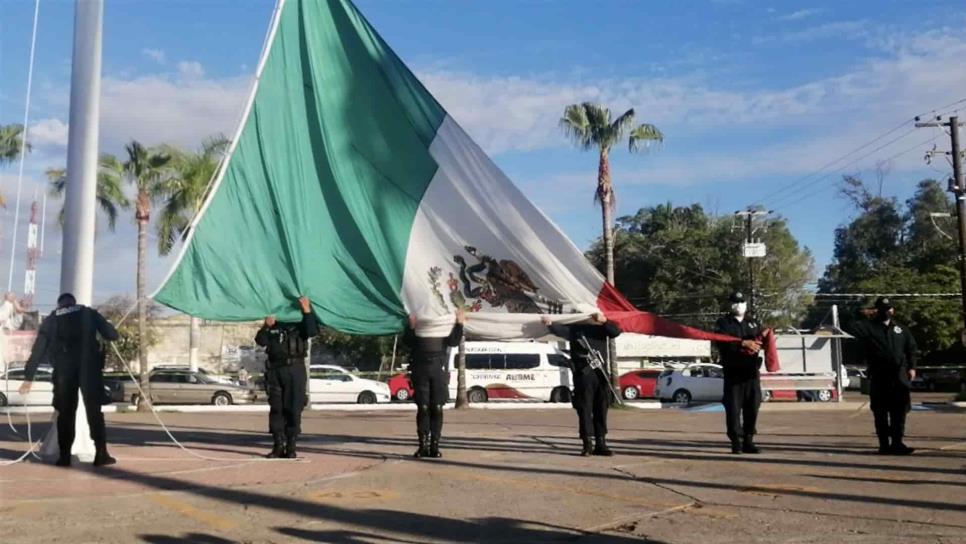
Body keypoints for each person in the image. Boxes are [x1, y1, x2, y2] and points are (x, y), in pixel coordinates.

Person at [18, 293, 119, 467]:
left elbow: (38, 349)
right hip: (89, 368)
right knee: (94, 411)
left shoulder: (52, 318)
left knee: (65, 414)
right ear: (74, 303)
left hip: (64, 370)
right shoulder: (88, 313)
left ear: (59, 305)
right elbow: (112, 335)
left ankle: (64, 456)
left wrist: (28, 378)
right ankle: (101, 454)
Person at [542, 309, 622, 457]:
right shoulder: (575, 329)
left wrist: (603, 320)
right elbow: (560, 330)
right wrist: (550, 323)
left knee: (601, 409)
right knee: (584, 410)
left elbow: (616, 331)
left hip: (601, 375)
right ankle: (587, 444)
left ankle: (601, 443)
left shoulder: (601, 327)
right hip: (583, 376)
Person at [846, 297, 917, 455]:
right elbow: (850, 326)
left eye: (889, 309)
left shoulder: (901, 329)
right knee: (881, 411)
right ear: (877, 311)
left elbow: (911, 348)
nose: (887, 312)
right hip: (879, 375)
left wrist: (912, 367)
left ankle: (897, 443)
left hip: (899, 375)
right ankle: (884, 445)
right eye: (884, 309)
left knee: (899, 411)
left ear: (893, 310)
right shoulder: (868, 328)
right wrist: (860, 313)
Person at [255, 296, 319, 459]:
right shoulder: (274, 324)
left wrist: (306, 310)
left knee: (294, 408)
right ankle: (278, 445)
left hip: (294, 369)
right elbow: (260, 341)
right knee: (276, 408)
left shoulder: (301, 325)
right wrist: (266, 326)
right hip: (275, 370)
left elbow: (312, 331)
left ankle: (291, 446)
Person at [403, 309, 464, 458]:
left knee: (437, 407)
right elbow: (407, 342)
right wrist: (411, 326)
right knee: (423, 407)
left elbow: (453, 341)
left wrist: (459, 323)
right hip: (420, 367)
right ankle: (422, 445)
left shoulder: (444, 319)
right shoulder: (418, 317)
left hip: (438, 367)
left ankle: (434, 446)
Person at [714, 291, 764, 455]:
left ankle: (749, 440)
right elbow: (721, 342)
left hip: (751, 372)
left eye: (741, 302)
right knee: (733, 409)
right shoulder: (723, 323)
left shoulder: (753, 323)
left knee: (753, 406)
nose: (738, 305)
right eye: (735, 302)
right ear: (730, 305)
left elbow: (761, 340)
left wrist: (766, 337)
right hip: (733, 373)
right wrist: (743, 344)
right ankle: (737, 442)